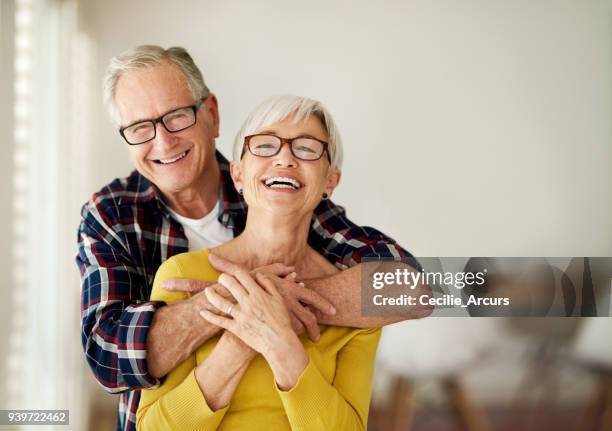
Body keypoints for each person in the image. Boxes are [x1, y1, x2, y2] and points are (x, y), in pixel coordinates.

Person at [76, 45, 430, 431]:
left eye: (177, 117)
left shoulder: (282, 193)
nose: (163, 142)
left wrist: (267, 305)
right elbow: (108, 357)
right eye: (140, 128)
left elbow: (416, 287)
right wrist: (237, 307)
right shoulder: (113, 215)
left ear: (211, 115)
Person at [137, 95, 382, 430]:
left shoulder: (358, 305)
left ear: (330, 182)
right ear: (238, 175)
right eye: (264, 146)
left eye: (307, 149)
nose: (284, 158)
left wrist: (277, 339)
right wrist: (241, 337)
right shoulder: (182, 275)